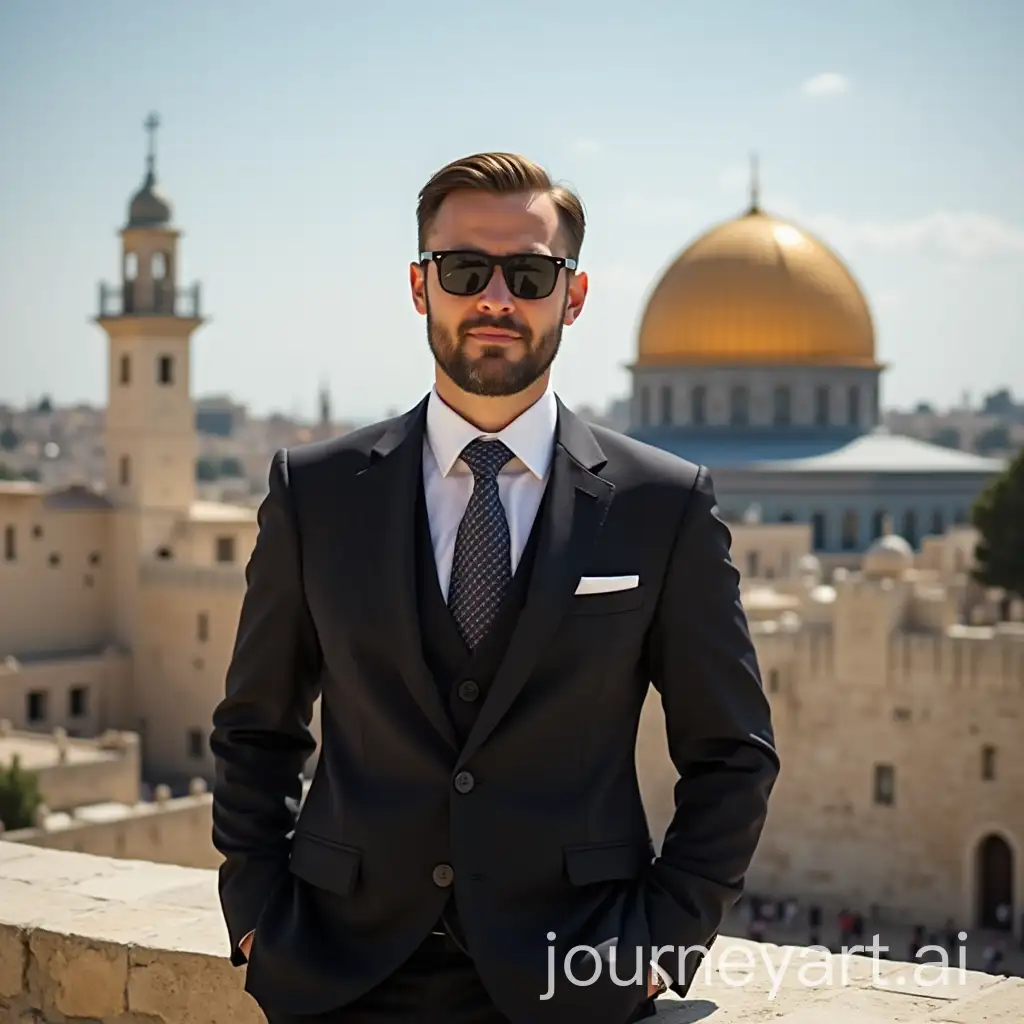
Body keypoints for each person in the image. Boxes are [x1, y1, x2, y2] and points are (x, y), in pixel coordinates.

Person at [210, 152, 780, 1024]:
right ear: (419, 286)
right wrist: (256, 919)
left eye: (530, 273)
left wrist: (660, 946)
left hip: (574, 982)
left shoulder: (662, 504)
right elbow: (256, 726)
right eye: (465, 269)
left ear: (574, 296)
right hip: (336, 972)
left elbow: (732, 752)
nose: (496, 299)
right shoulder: (315, 491)